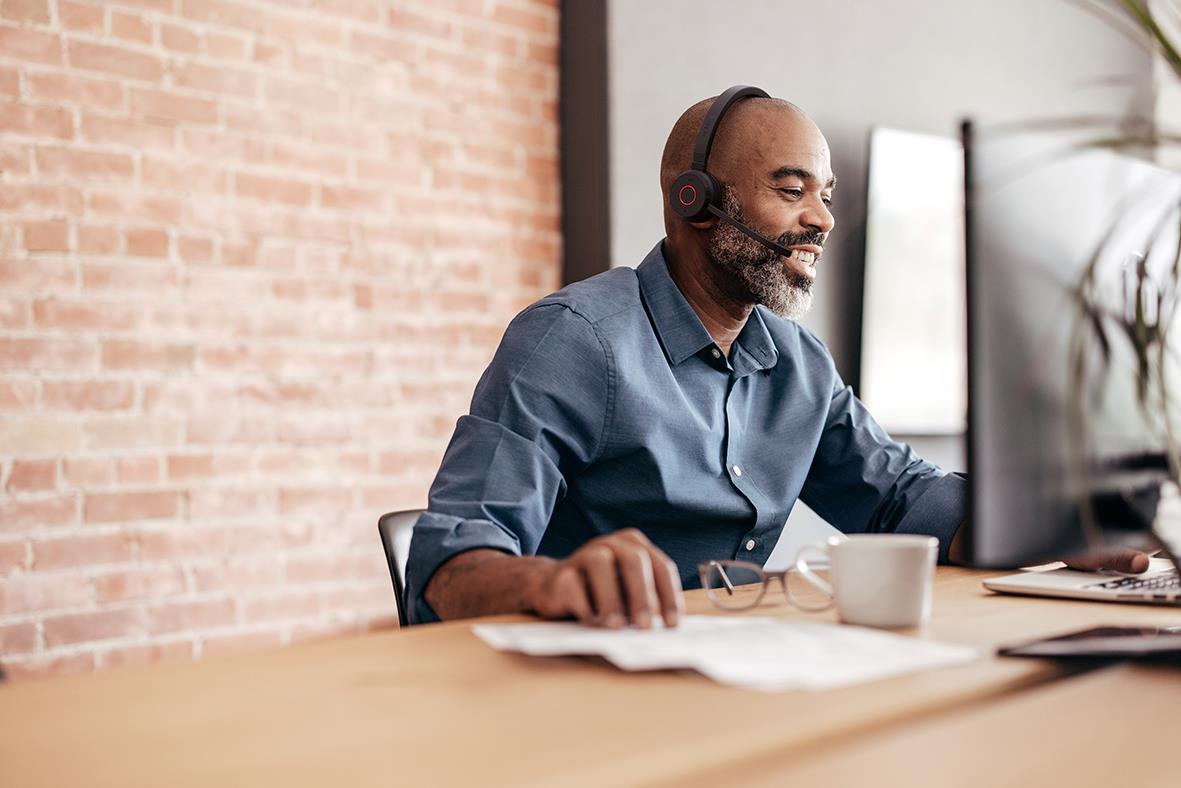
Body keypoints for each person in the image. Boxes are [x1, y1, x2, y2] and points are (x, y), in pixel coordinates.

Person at [404, 89, 1149, 628]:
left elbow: (894, 499)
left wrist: (1055, 526)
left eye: (825, 194)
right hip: (578, 695)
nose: (821, 219)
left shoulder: (796, 362)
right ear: (693, 201)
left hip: (732, 668)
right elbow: (449, 562)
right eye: (791, 190)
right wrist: (553, 580)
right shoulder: (571, 340)